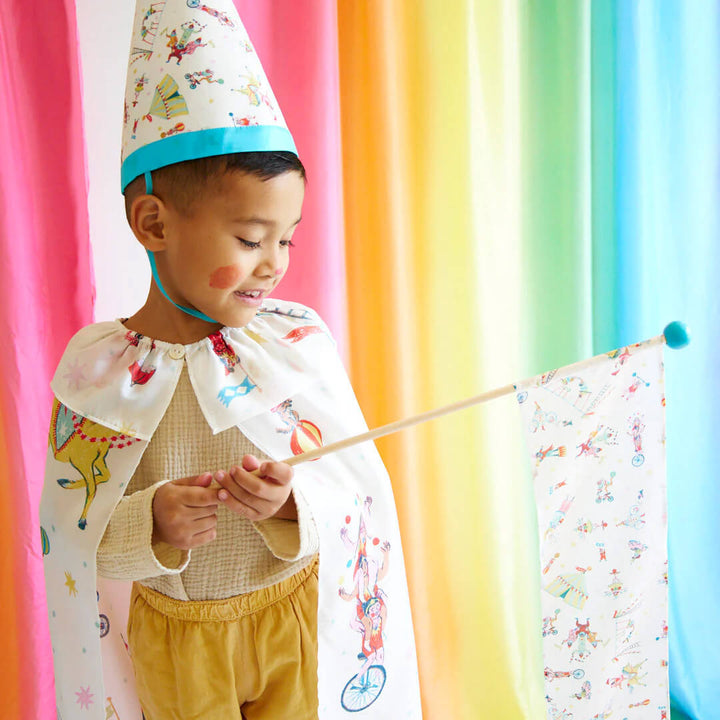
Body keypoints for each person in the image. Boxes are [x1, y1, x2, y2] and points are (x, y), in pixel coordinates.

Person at [41, 2, 421, 719]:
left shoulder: (293, 342)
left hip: (292, 620)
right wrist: (151, 521)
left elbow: (358, 497)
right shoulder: (100, 371)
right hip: (175, 642)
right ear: (155, 224)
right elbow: (72, 538)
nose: (274, 265)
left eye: (288, 240)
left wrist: (288, 505)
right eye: (251, 238)